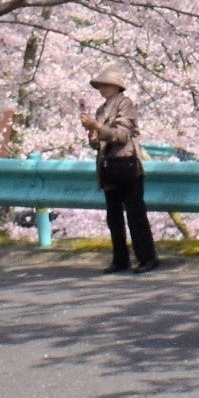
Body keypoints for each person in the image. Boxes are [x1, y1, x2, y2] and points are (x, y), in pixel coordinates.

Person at [83, 71, 158, 275]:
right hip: (108, 166)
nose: (103, 89)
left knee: (135, 213)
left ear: (117, 87)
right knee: (113, 215)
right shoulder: (101, 110)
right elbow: (100, 143)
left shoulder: (125, 104)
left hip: (127, 165)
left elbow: (122, 135)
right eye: (101, 86)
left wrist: (97, 126)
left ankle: (146, 257)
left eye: (107, 85)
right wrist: (92, 134)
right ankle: (120, 258)